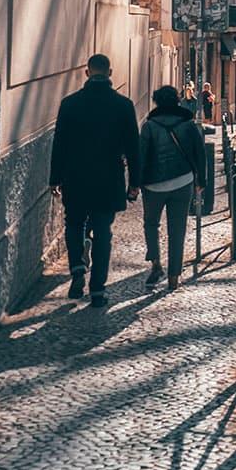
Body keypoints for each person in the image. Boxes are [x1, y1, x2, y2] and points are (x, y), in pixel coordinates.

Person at [50, 53, 140, 307]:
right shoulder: (123, 105)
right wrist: (135, 182)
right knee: (102, 233)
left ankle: (77, 268)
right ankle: (98, 289)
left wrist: (54, 178)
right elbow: (133, 148)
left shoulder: (69, 104)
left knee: (74, 223)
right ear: (110, 73)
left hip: (75, 177)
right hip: (108, 180)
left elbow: (59, 144)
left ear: (87, 73)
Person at [139, 86, 207, 291]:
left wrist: (135, 184)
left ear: (157, 102)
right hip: (182, 181)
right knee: (177, 229)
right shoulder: (188, 124)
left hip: (153, 185)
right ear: (177, 101)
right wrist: (201, 181)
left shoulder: (149, 126)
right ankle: (174, 277)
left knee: (151, 223)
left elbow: (141, 157)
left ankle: (155, 262)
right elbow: (200, 153)